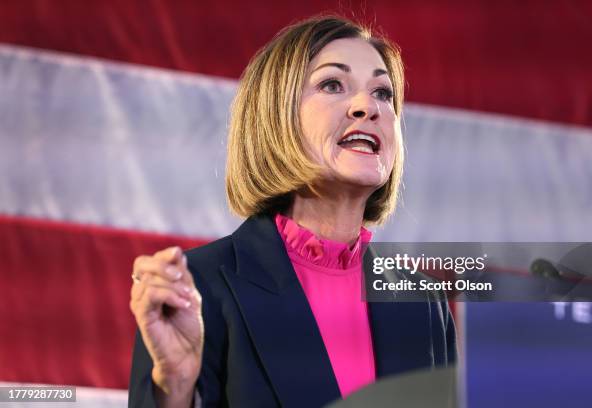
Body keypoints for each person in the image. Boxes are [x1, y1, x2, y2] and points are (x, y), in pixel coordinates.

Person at [128, 15, 456, 408]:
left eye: (383, 93)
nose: (367, 107)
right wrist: (175, 387)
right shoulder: (200, 287)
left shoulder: (424, 302)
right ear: (276, 117)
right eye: (333, 84)